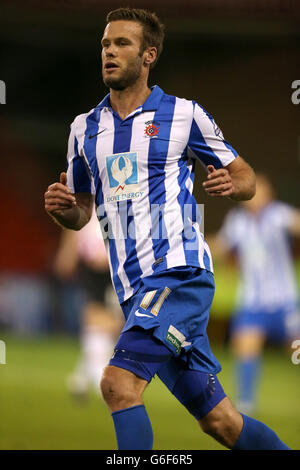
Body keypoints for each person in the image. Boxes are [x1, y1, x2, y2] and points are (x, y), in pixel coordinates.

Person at [44, 7, 290, 450]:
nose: (110, 52)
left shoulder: (184, 115)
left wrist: (232, 185)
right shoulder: (84, 129)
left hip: (180, 274)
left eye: (122, 44)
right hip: (136, 291)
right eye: (105, 44)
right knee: (221, 422)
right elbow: (80, 211)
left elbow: (245, 176)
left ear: (148, 55)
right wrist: (62, 208)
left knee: (118, 384)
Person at [209, 173, 300, 414]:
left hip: (284, 301)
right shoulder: (237, 221)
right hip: (253, 302)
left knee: (296, 351)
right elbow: (220, 245)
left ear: (269, 194)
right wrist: (195, 245)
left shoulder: (278, 215)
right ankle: (246, 404)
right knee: (245, 346)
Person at [53, 209, 123, 399]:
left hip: (115, 264)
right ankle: (103, 384)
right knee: (99, 320)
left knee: (114, 326)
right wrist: (68, 253)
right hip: (96, 264)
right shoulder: (88, 196)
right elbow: (76, 223)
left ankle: (82, 378)